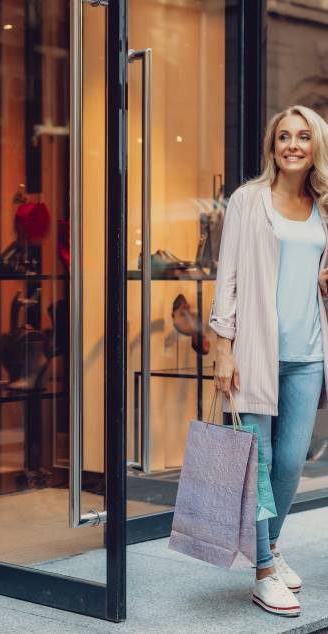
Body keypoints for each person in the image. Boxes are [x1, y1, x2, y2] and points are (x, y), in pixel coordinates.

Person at [209, 104, 328, 617]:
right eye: (284, 136)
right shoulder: (249, 200)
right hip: (255, 353)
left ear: (316, 146)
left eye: (304, 136)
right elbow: (228, 273)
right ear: (272, 146)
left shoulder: (325, 207)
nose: (293, 145)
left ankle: (270, 547)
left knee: (290, 462)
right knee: (256, 466)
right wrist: (221, 346)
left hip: (307, 354)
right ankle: (261, 571)